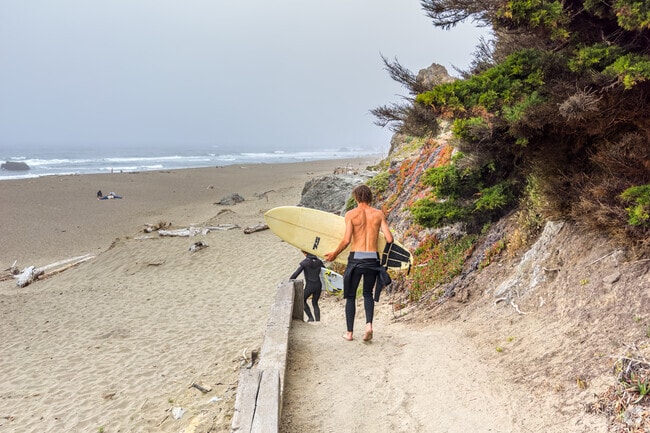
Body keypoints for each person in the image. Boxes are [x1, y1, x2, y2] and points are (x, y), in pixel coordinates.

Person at [325, 184, 393, 342]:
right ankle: (368, 325)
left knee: (351, 296)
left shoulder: (351, 214)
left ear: (356, 197)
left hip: (356, 259)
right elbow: (389, 239)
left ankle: (349, 333)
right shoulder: (378, 214)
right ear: (369, 197)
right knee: (367, 293)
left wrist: (334, 254)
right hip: (372, 259)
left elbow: (347, 239)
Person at [290, 251, 325, 322]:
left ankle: (311, 318)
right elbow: (327, 272)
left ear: (305, 253)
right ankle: (318, 321)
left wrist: (290, 280)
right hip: (318, 285)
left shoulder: (305, 263)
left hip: (310, 285)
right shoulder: (319, 262)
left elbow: (295, 274)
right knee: (315, 303)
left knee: (302, 300)